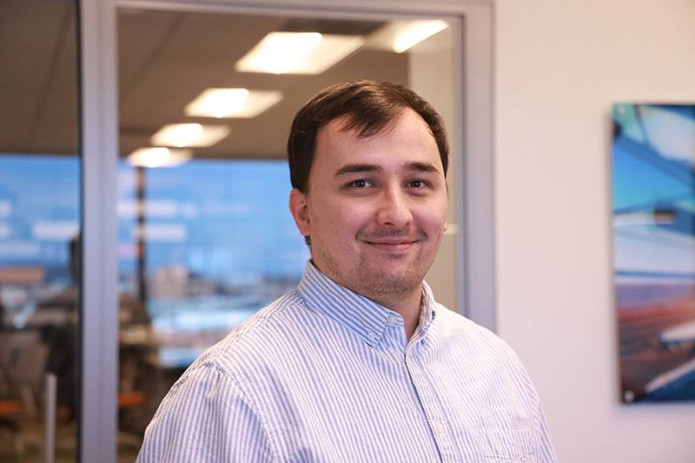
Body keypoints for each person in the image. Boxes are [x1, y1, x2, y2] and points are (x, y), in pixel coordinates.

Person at [137, 80, 555, 462]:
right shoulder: (233, 393)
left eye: (417, 183)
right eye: (361, 183)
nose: (397, 214)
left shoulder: (494, 366)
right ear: (303, 213)